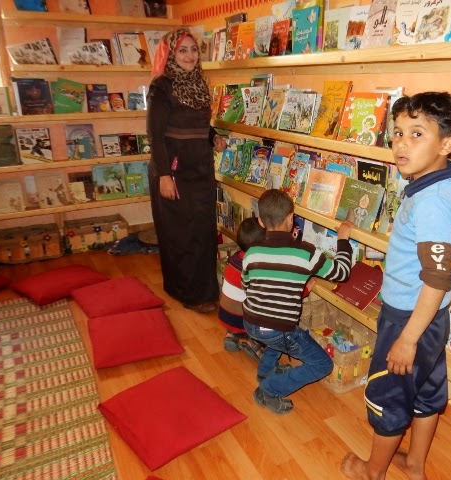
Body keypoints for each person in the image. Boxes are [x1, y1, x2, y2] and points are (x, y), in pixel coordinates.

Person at [341, 91, 451, 480]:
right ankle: (414, 465)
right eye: (397, 133)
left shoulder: (431, 203)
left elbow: (437, 276)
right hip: (432, 318)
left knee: (389, 395)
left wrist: (408, 339)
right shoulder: (439, 183)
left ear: (446, 144)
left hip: (410, 320)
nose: (401, 144)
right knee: (426, 393)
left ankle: (372, 471)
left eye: (416, 134)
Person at [242, 189, 354, 415]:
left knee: (275, 332)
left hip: (250, 323)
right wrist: (343, 239)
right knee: (322, 364)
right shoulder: (305, 253)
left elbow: (248, 286)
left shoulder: (251, 253)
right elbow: (342, 272)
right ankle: (268, 390)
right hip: (277, 330)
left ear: (261, 221)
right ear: (291, 218)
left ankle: (265, 372)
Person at [147, 28, 227, 314]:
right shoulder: (161, 87)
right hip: (174, 171)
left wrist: (213, 136)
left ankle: (204, 290)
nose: (190, 55)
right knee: (181, 235)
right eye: (183, 50)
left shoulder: (199, 83)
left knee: (203, 232)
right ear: (171, 54)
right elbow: (155, 134)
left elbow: (198, 123)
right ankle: (188, 293)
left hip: (201, 169)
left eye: (193, 50)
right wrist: (164, 176)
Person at [219, 217, 266, 360]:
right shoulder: (255, 268)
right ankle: (252, 341)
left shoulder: (235, 258)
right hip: (241, 321)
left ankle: (231, 335)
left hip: (225, 315)